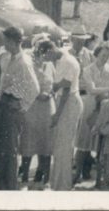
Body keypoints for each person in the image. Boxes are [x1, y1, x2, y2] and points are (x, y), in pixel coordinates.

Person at [0, 27, 39, 191]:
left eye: (6, 41)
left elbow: (34, 88)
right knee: (2, 148)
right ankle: (3, 183)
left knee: (10, 149)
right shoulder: (8, 58)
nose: (4, 44)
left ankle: (10, 186)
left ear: (13, 41)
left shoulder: (23, 62)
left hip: (13, 107)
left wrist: (21, 105)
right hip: (5, 104)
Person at [39, 37, 83, 191]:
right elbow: (59, 86)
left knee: (64, 146)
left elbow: (65, 90)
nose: (45, 59)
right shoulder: (60, 59)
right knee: (59, 146)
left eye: (45, 56)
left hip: (69, 103)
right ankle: (58, 183)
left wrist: (57, 115)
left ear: (50, 50)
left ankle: (63, 185)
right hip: (64, 101)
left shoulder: (67, 62)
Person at [76, 42, 109, 183]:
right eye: (102, 55)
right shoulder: (88, 70)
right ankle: (78, 173)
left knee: (102, 142)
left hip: (106, 108)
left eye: (107, 56)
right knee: (84, 141)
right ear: (96, 55)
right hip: (90, 107)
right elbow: (92, 90)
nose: (105, 58)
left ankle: (99, 178)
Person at [20, 36, 54, 187]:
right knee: (28, 140)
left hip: (47, 107)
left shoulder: (51, 64)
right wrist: (38, 94)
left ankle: (44, 176)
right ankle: (25, 175)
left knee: (45, 141)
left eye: (46, 52)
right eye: (40, 51)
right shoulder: (29, 64)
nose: (43, 55)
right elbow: (25, 84)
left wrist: (50, 94)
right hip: (32, 106)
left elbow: (55, 84)